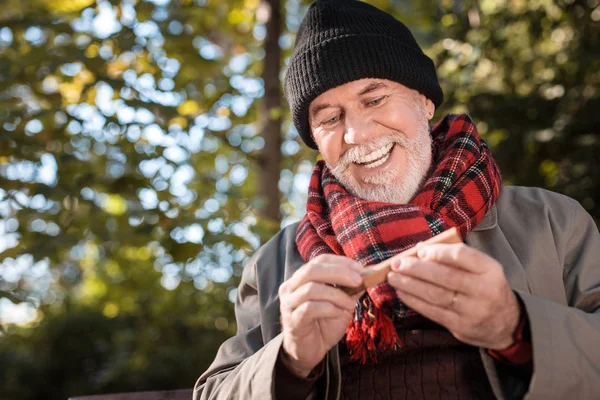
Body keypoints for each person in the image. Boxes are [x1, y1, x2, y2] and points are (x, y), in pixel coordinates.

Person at [193, 0, 600, 399]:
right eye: (330, 118)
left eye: (374, 99)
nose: (358, 133)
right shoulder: (271, 266)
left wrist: (516, 328)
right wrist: (290, 361)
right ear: (316, 139)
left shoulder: (554, 221)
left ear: (423, 101)